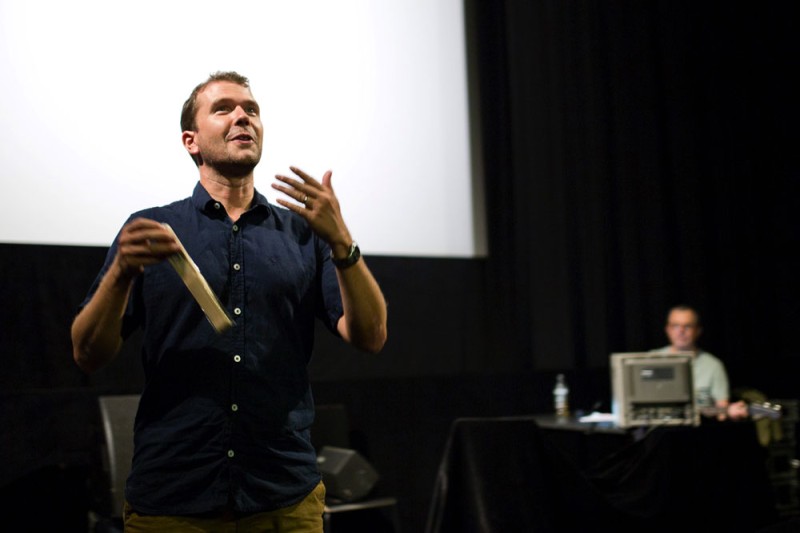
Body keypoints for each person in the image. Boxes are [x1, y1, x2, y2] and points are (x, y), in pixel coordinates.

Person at [71, 71, 388, 532]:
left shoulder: (303, 234)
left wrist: (342, 241)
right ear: (191, 141)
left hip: (282, 498)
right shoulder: (152, 230)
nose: (243, 116)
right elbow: (86, 354)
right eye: (224, 108)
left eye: (251, 109)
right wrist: (120, 273)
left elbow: (371, 336)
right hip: (174, 499)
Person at [652, 305, 747, 421]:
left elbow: (722, 410)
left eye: (687, 326)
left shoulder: (713, 365)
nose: (681, 331)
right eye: (676, 326)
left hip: (697, 432)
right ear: (668, 329)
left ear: (698, 331)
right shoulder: (651, 360)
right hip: (656, 432)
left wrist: (728, 412)